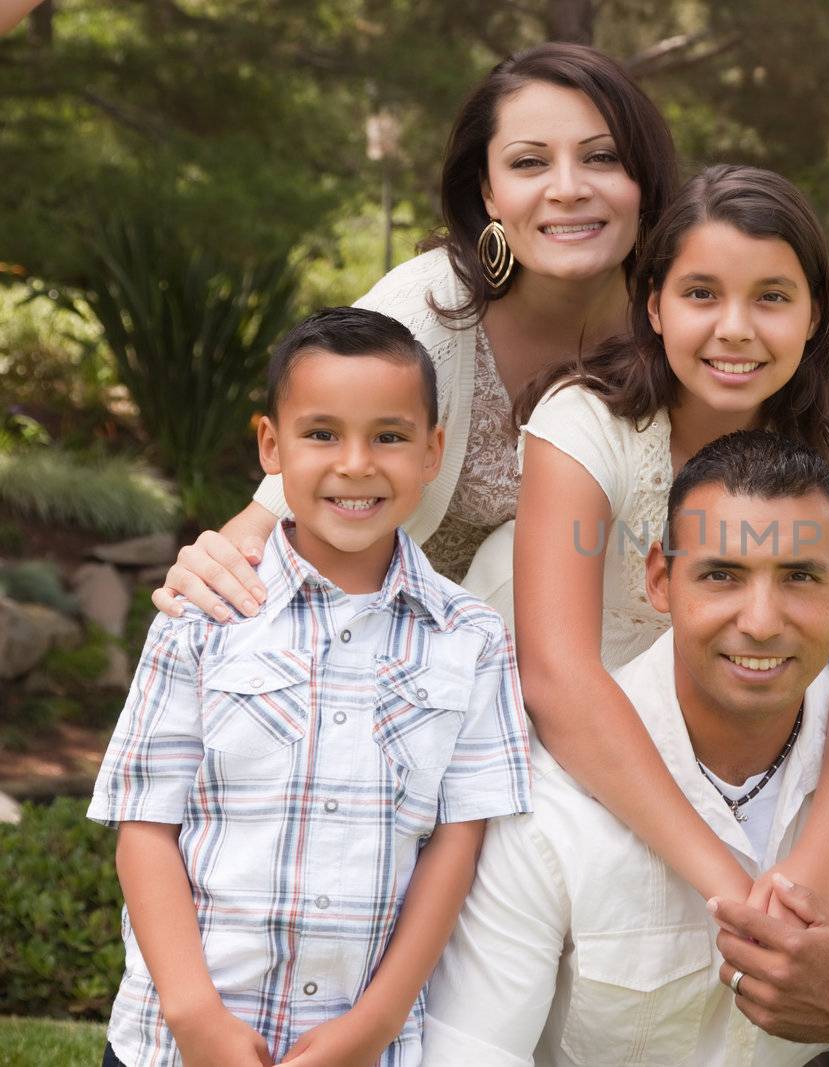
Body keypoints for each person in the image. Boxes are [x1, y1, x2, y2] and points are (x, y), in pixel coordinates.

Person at [420, 430, 829, 1067]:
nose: (761, 621)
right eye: (723, 575)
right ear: (660, 580)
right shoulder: (546, 793)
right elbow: (470, 1049)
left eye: (799, 577)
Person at [89, 308, 535, 1067]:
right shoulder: (205, 614)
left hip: (363, 1044)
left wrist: (376, 1022)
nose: (356, 463)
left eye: (389, 436)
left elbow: (457, 844)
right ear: (272, 446)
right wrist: (194, 1014)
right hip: (177, 1041)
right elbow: (144, 821)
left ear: (432, 450)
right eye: (322, 433)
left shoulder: (473, 638)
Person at [487, 164, 829, 912]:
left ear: (814, 314)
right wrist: (729, 880)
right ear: (653, 306)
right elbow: (556, 676)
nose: (736, 328)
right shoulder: (582, 422)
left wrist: (814, 866)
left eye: (772, 297)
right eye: (701, 294)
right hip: (569, 729)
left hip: (738, 719)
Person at [152, 41, 677, 610]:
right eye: (529, 162)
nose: (569, 188)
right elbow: (286, 501)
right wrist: (213, 576)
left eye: (602, 157)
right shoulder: (423, 311)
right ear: (488, 191)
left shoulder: (687, 316)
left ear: (642, 179)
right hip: (390, 651)